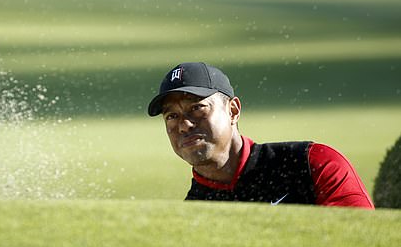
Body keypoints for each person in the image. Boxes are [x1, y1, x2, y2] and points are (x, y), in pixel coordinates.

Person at [148, 62, 374, 209]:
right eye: (171, 116)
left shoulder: (311, 162)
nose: (184, 125)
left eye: (197, 108)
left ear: (233, 111)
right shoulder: (192, 213)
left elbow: (362, 242)